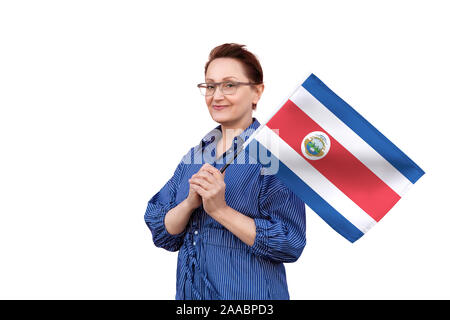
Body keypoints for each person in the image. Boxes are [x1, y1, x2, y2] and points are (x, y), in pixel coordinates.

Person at [144, 43, 306, 300]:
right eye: (210, 86)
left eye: (229, 85)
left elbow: (290, 243)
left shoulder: (275, 156)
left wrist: (220, 210)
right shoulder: (195, 156)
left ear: (257, 92)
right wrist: (188, 204)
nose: (216, 96)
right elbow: (162, 231)